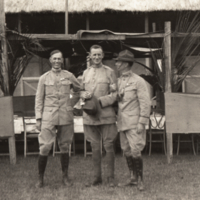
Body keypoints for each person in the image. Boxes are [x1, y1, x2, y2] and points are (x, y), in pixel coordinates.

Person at [35, 50, 81, 188]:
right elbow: (39, 98)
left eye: (59, 59)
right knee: (44, 147)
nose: (56, 61)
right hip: (48, 117)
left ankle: (65, 176)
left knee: (65, 146)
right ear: (50, 60)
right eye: (54, 59)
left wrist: (71, 104)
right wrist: (38, 118)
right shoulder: (44, 78)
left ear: (62, 60)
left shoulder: (69, 76)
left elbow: (79, 90)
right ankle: (40, 178)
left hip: (65, 116)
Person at [81, 45, 118, 187]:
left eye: (99, 55)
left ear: (103, 56)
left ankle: (110, 178)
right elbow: (81, 92)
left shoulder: (110, 72)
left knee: (108, 145)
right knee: (94, 147)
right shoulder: (85, 73)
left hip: (106, 114)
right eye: (94, 55)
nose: (96, 58)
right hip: (90, 116)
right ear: (90, 56)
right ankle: (97, 178)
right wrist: (83, 95)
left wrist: (100, 102)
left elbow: (115, 94)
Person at [115, 50, 150, 191]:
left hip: (135, 122)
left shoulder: (139, 81)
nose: (116, 63)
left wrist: (142, 122)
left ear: (125, 64)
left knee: (136, 151)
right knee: (127, 150)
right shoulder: (118, 81)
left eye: (118, 61)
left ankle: (141, 180)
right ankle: (133, 178)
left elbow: (145, 103)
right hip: (122, 122)